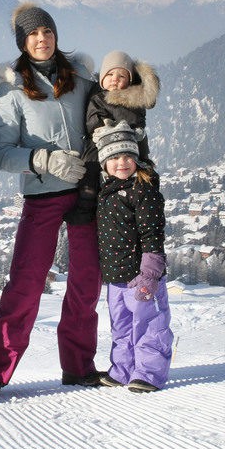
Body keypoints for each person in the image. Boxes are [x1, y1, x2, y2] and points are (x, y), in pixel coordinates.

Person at [0, 3, 103, 396]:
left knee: (86, 283)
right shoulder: (11, 91)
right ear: (22, 42)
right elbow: (1, 153)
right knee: (26, 284)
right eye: (32, 34)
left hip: (85, 194)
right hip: (43, 195)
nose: (41, 38)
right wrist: (42, 159)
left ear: (55, 35)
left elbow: (107, 114)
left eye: (47, 31)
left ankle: (79, 366)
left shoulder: (82, 80)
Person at [92, 120, 173, 393]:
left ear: (137, 158)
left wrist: (149, 274)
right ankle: (123, 369)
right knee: (121, 326)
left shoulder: (143, 191)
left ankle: (149, 373)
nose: (122, 162)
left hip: (141, 276)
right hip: (116, 277)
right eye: (114, 157)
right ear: (104, 162)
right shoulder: (107, 192)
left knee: (149, 323)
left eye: (127, 155)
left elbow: (153, 234)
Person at [70, 49, 161, 225]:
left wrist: (136, 133)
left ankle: (144, 205)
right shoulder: (98, 96)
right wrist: (105, 130)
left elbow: (139, 121)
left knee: (144, 171)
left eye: (121, 76)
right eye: (110, 74)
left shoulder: (135, 99)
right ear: (102, 76)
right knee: (90, 171)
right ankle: (85, 208)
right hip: (100, 144)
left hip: (133, 145)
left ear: (129, 80)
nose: (115, 79)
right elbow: (92, 121)